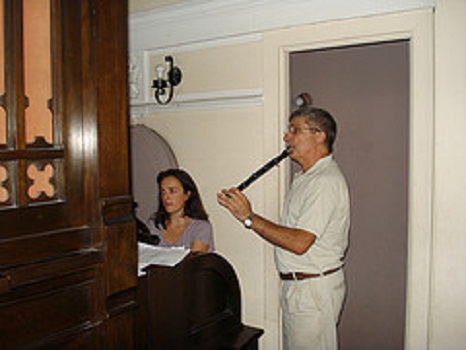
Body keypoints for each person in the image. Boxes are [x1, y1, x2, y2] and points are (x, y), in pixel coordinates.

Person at [217, 106, 350, 350]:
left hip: (312, 291)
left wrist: (249, 217)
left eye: (294, 130)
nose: (286, 137)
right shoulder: (306, 177)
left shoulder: (324, 182)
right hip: (301, 288)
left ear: (319, 135)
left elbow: (300, 243)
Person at [147, 168, 214, 252]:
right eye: (163, 192)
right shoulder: (154, 224)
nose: (166, 197)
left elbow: (195, 262)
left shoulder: (201, 227)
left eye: (172, 191)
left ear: (187, 195)